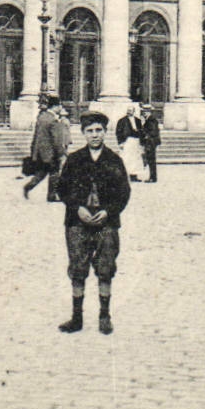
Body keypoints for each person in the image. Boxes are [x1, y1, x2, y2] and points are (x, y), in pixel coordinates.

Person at [56, 111, 132, 335]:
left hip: (106, 225)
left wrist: (109, 211)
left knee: (105, 268)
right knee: (78, 269)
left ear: (105, 132)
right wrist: (76, 207)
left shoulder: (114, 161)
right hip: (77, 224)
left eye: (99, 130)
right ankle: (76, 317)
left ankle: (104, 316)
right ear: (83, 134)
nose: (95, 135)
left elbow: (124, 192)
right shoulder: (74, 160)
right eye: (90, 131)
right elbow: (62, 188)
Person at [23, 98, 69, 200]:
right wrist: (62, 153)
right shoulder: (53, 120)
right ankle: (51, 195)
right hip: (50, 152)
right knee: (55, 172)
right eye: (59, 106)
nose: (60, 108)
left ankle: (28, 186)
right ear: (55, 107)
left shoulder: (41, 117)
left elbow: (36, 136)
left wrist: (33, 150)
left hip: (40, 152)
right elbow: (56, 139)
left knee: (42, 173)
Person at [116, 103, 144, 182]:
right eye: (128, 110)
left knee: (135, 159)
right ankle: (125, 176)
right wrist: (120, 143)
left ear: (134, 111)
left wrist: (141, 142)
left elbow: (141, 132)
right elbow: (118, 132)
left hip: (136, 141)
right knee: (127, 159)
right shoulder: (122, 121)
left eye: (131, 111)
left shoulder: (138, 121)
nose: (129, 112)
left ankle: (134, 176)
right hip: (127, 141)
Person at [139, 104, 162, 183]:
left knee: (151, 160)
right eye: (143, 112)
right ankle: (152, 177)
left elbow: (152, 132)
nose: (144, 114)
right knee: (150, 160)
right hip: (151, 143)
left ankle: (152, 178)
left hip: (150, 143)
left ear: (149, 112)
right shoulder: (149, 119)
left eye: (145, 112)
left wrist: (145, 135)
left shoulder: (151, 120)